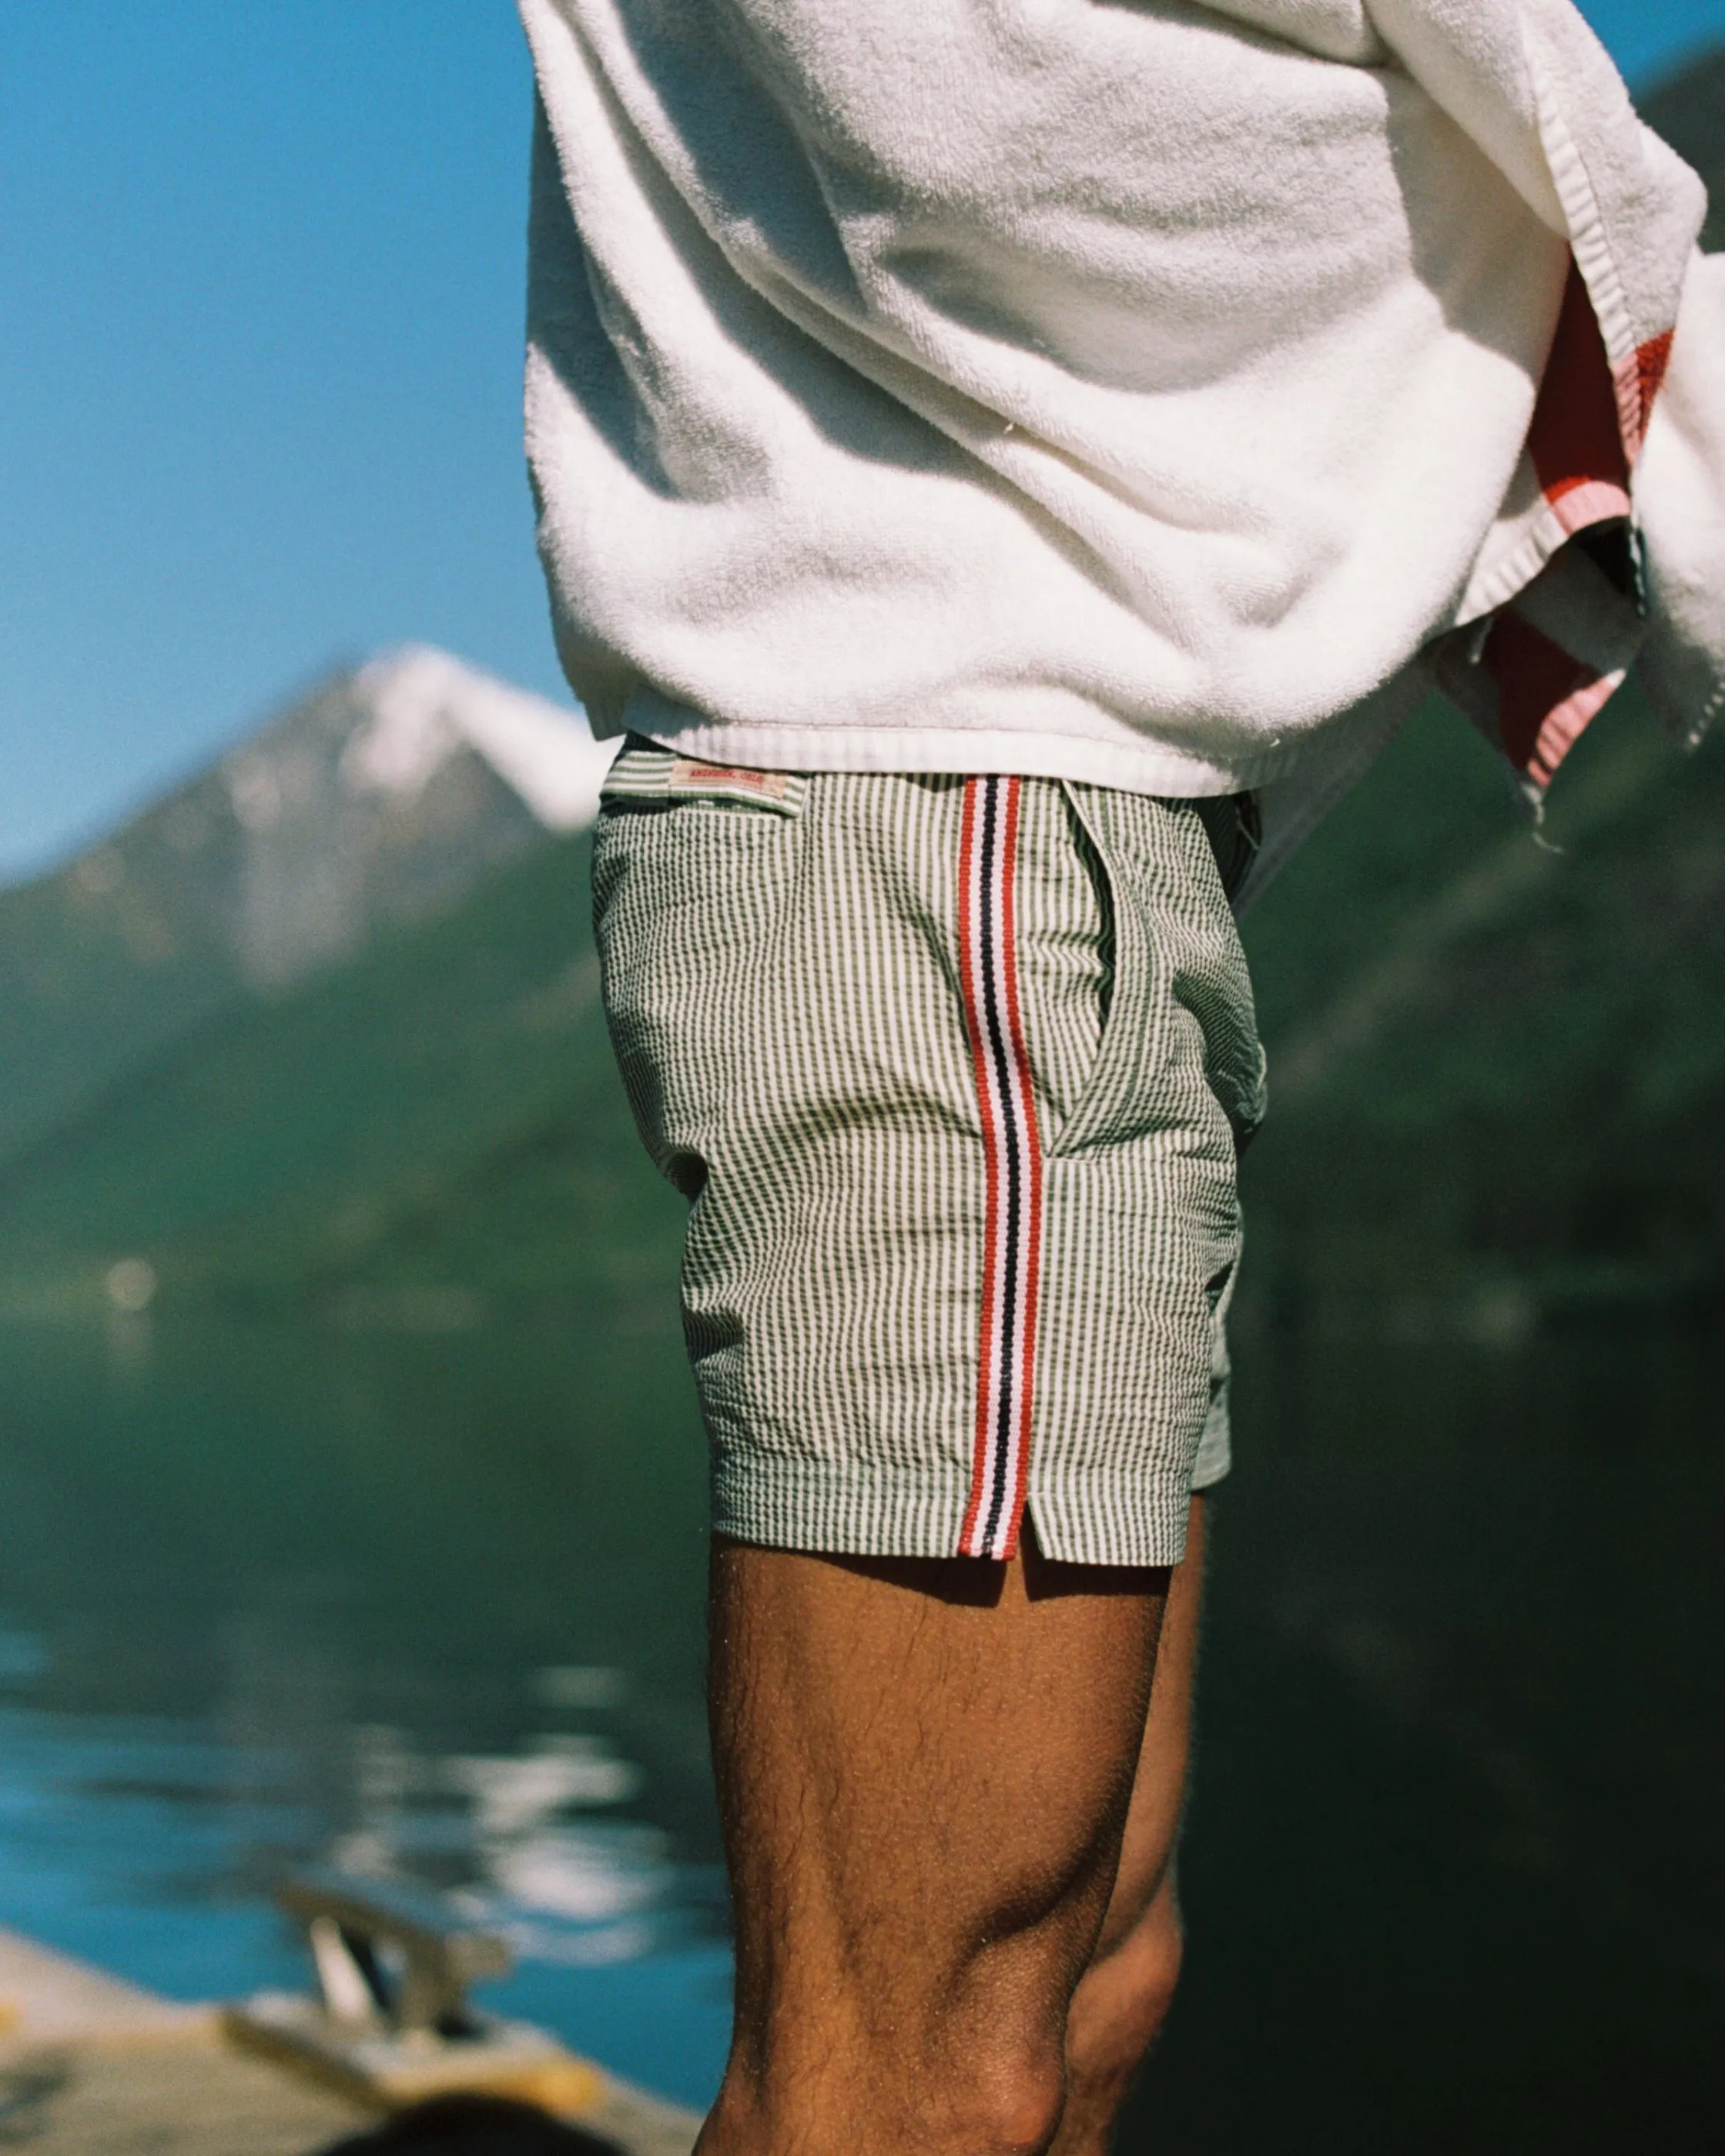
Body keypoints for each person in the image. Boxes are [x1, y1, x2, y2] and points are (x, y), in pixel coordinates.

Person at [515, 3, 1725, 2148]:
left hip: (1088, 844)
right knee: (920, 2072)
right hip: (947, 796)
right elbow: (1005, 119)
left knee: (1087, 1984)